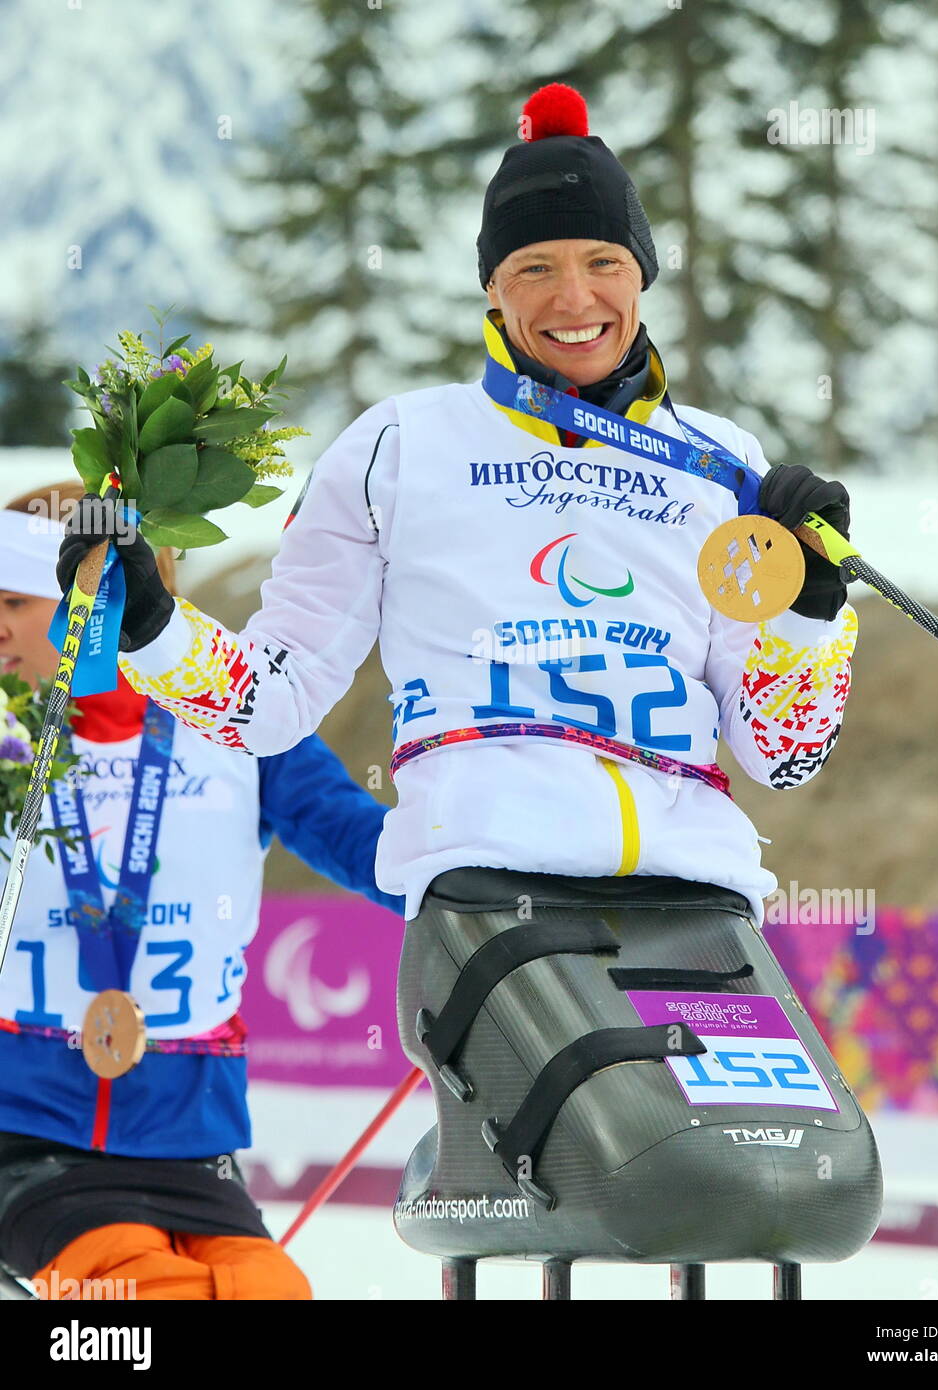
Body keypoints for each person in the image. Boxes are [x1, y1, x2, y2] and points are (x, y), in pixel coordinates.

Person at [59, 81, 856, 970]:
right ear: (492, 288)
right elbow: (273, 702)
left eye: (603, 261)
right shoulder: (399, 446)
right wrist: (155, 631)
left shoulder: (723, 460)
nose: (573, 297)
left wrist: (809, 614)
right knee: (590, 1115)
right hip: (490, 892)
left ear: (641, 274)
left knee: (790, 1122)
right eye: (534, 268)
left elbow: (780, 755)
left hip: (699, 894)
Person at [0, 480, 403, 1301]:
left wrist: (487, 865)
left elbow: (372, 848)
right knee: (149, 1302)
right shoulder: (11, 739)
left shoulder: (237, 732)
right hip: (27, 1145)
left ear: (98, 599)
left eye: (14, 600)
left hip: (191, 1148)